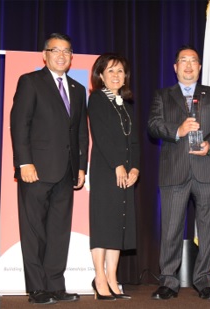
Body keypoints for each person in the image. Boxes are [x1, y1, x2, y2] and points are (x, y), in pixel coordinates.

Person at [10, 33, 89, 305]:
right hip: (36, 169)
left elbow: (80, 131)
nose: (61, 55)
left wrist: (81, 167)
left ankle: (56, 285)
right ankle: (36, 288)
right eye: (56, 50)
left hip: (67, 172)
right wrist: (24, 162)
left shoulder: (78, 89)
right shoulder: (31, 82)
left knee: (58, 231)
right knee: (34, 231)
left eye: (67, 51)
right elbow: (20, 124)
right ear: (44, 55)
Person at [147, 45, 210, 300]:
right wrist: (177, 130)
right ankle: (169, 281)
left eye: (193, 61)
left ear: (200, 66)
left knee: (208, 230)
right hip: (174, 171)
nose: (188, 65)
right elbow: (152, 126)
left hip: (207, 169)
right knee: (171, 228)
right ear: (175, 67)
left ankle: (206, 281)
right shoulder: (163, 95)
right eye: (183, 61)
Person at [87, 53, 140, 301]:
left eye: (120, 71)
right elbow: (102, 136)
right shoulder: (97, 99)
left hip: (126, 173)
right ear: (100, 75)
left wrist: (135, 168)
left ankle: (112, 277)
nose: (116, 76)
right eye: (111, 71)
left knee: (118, 225)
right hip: (106, 170)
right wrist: (118, 165)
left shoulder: (126, 105)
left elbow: (135, 141)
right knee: (103, 224)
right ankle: (99, 278)